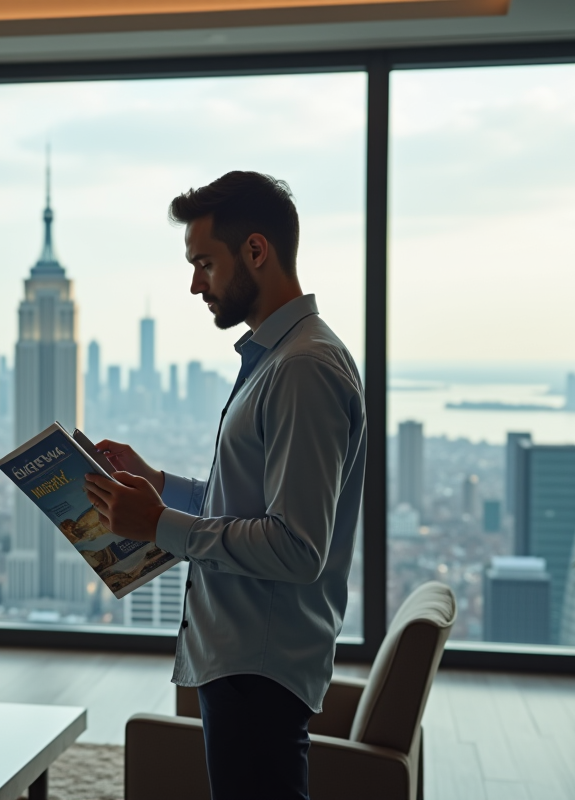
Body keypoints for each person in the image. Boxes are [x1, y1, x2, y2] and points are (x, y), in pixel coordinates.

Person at [83, 171, 367, 799]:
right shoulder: (280, 358)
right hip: (243, 659)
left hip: (258, 668)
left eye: (205, 263)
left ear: (256, 251)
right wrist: (158, 485)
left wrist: (157, 525)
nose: (194, 284)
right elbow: (249, 502)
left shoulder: (302, 369)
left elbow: (295, 546)